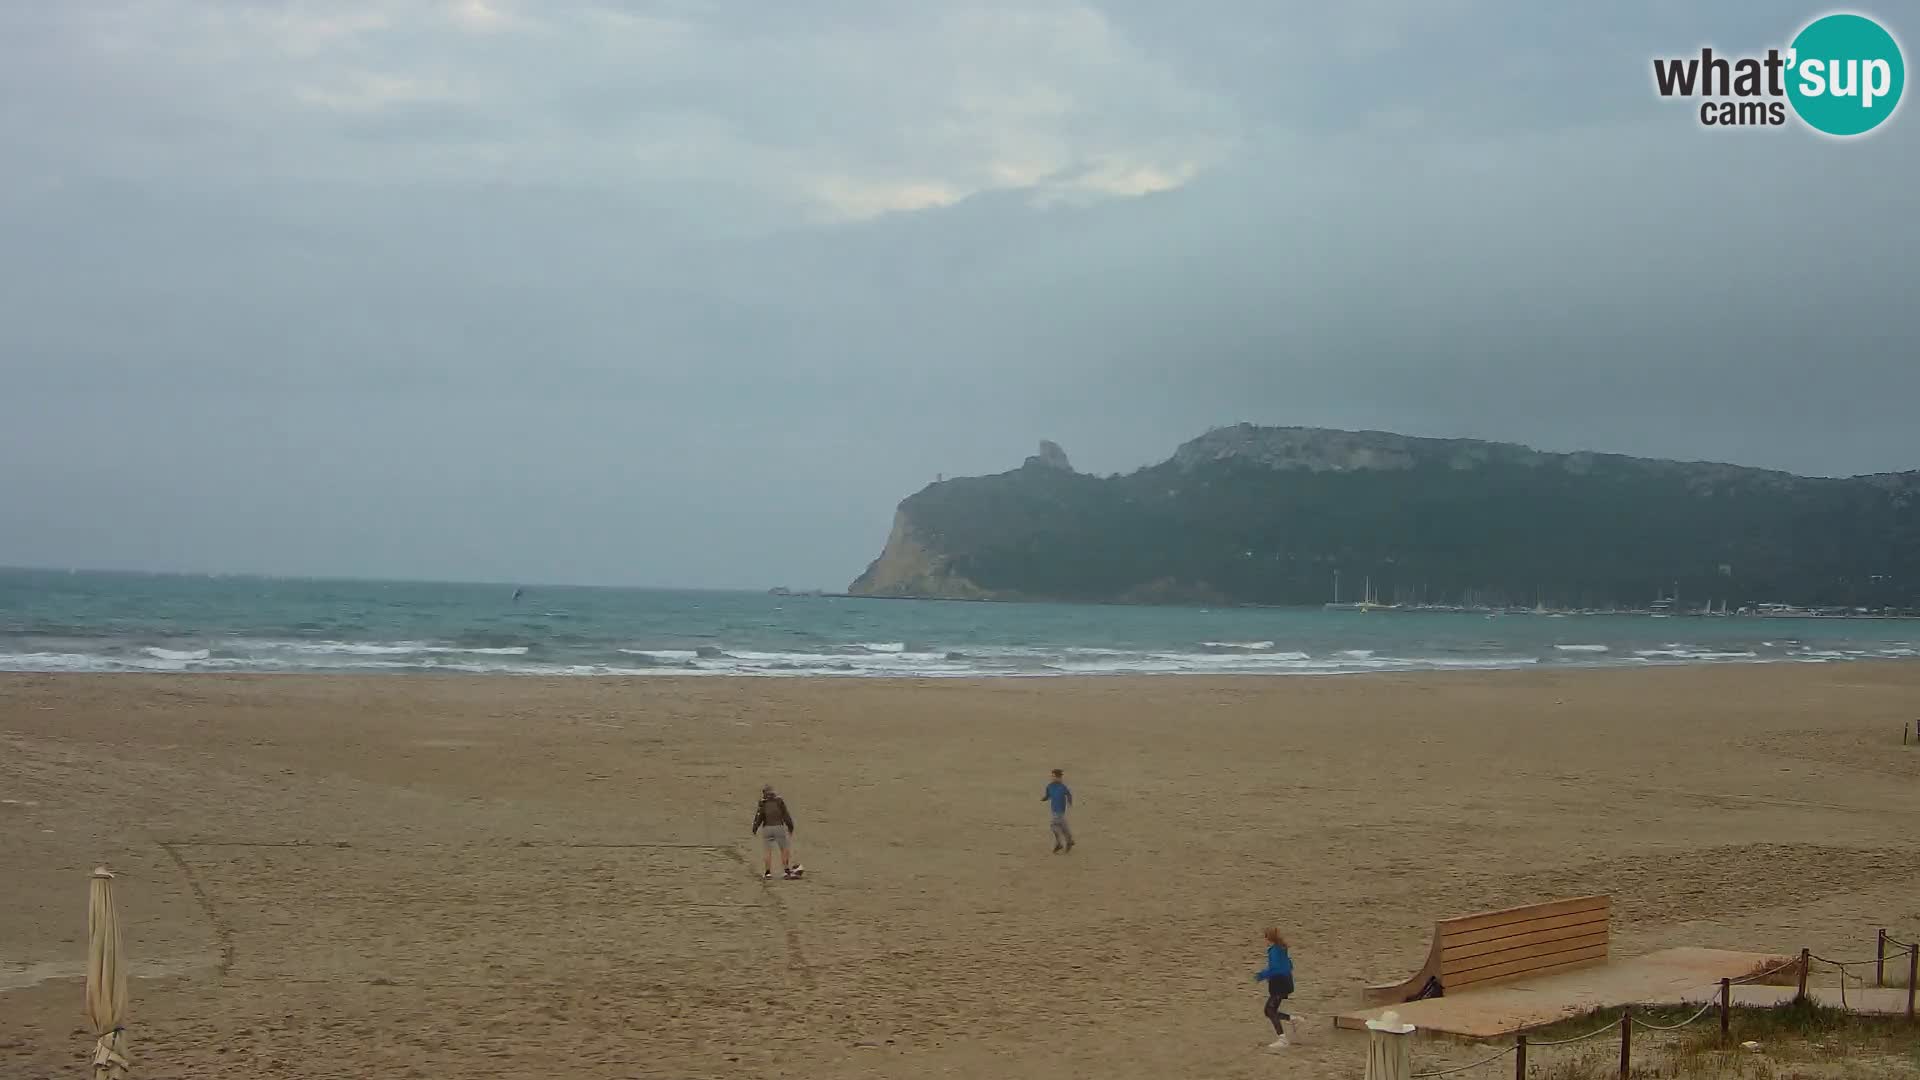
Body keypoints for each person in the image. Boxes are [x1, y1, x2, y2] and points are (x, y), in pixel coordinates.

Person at [1253, 927, 1296, 1048]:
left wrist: (1262, 975)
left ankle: (1283, 1039)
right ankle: (1292, 1019)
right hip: (1285, 982)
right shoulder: (1281, 948)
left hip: (1279, 984)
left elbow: (1276, 969)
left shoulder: (1274, 951)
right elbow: (1289, 965)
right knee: (1270, 1011)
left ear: (1268, 938)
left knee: (1270, 1010)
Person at [750, 784, 803, 880]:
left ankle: (768, 873)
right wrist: (790, 827)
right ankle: (786, 871)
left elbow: (759, 817)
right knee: (784, 849)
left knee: (768, 851)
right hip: (779, 827)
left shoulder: (762, 803)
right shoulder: (779, 801)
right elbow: (786, 815)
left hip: (767, 828)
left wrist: (755, 828)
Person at [1042, 768, 1074, 853]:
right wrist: (1044, 798)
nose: (1053, 778)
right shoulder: (1049, 786)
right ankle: (1069, 840)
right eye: (1052, 776)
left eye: (1055, 776)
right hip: (1054, 810)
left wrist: (1070, 802)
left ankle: (1059, 843)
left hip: (1059, 810)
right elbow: (1048, 795)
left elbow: (1069, 794)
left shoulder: (1062, 787)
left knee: (1054, 825)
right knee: (1063, 826)